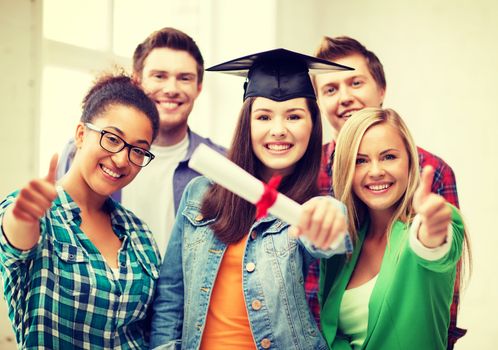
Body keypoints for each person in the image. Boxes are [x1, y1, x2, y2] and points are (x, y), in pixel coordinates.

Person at [149, 48, 352, 350]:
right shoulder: (199, 195)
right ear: (248, 123)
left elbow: (328, 239)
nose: (278, 130)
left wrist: (330, 218)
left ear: (313, 124)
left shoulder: (316, 204)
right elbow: (171, 295)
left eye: (294, 116)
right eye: (264, 116)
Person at [305, 36, 463, 348]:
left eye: (355, 82)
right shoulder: (308, 173)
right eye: (331, 89)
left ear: (381, 89)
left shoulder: (432, 170)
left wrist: (432, 231)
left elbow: (439, 270)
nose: (345, 97)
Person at [0, 73, 162, 349]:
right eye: (112, 139)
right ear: (81, 134)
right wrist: (23, 216)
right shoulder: (40, 215)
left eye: (138, 150)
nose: (122, 159)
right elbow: (15, 240)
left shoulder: (140, 234)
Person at [56, 27, 224, 258]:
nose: (171, 89)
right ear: (137, 80)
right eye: (159, 76)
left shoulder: (222, 166)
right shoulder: (82, 152)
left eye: (184, 78)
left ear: (199, 88)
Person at [320, 107, 470, 349]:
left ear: (410, 162)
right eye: (360, 161)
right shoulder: (344, 244)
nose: (376, 171)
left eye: (389, 156)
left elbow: (434, 247)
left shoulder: (422, 228)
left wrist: (431, 229)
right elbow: (333, 333)